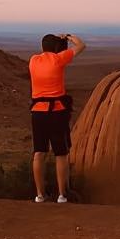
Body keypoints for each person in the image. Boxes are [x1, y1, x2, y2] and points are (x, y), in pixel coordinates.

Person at [29, 31, 86, 203]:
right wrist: (68, 37)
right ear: (55, 47)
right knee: (60, 153)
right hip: (57, 112)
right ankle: (62, 195)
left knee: (39, 153)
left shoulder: (33, 61)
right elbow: (81, 46)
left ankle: (40, 195)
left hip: (38, 112)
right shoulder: (59, 59)